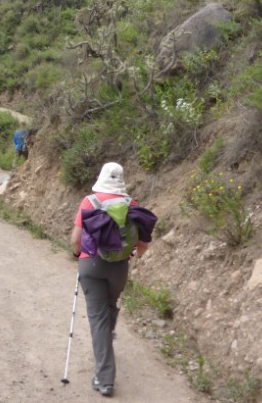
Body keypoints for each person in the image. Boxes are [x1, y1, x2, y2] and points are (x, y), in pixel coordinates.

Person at [69, 162, 155, 398]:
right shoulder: (131, 205)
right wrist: (131, 256)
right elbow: (143, 244)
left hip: (91, 265)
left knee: (98, 318)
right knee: (109, 307)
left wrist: (77, 254)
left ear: (101, 177)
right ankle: (107, 337)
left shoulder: (90, 202)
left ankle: (105, 379)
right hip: (119, 268)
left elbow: (75, 239)